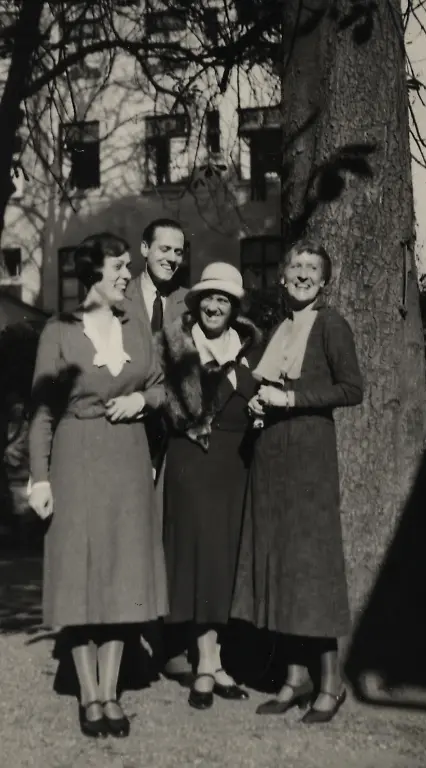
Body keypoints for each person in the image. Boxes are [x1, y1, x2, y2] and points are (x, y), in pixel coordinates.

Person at [28, 232, 168, 738]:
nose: (127, 275)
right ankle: (88, 695)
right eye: (118, 267)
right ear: (92, 273)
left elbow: (160, 386)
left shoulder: (136, 329)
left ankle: (111, 692)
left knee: (123, 578)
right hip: (76, 458)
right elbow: (43, 410)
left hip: (128, 460)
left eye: (129, 266)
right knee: (80, 579)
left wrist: (142, 403)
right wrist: (40, 478)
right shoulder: (59, 331)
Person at [232, 240, 363, 724]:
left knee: (312, 567)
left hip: (309, 459)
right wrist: (258, 403)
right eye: (296, 266)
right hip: (271, 460)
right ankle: (294, 677)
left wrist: (292, 399)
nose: (303, 274)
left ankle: (331, 682)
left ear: (324, 280)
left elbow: (352, 388)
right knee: (279, 565)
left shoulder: (331, 324)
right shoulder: (277, 329)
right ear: (283, 276)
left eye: (313, 268)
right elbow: (266, 383)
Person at [158, 262, 261, 710]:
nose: (214, 306)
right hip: (191, 462)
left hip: (235, 466)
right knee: (197, 560)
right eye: (208, 299)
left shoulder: (253, 352)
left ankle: (214, 660)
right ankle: (203, 663)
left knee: (224, 562)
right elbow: (163, 402)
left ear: (235, 308)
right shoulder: (177, 348)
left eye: (224, 299)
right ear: (196, 304)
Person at [124, 218, 191, 683]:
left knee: (169, 536)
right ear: (144, 248)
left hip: (174, 434)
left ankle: (172, 644)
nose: (170, 257)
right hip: (125, 431)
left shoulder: (189, 303)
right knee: (127, 537)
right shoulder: (120, 297)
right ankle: (127, 645)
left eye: (178, 252)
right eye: (163, 248)